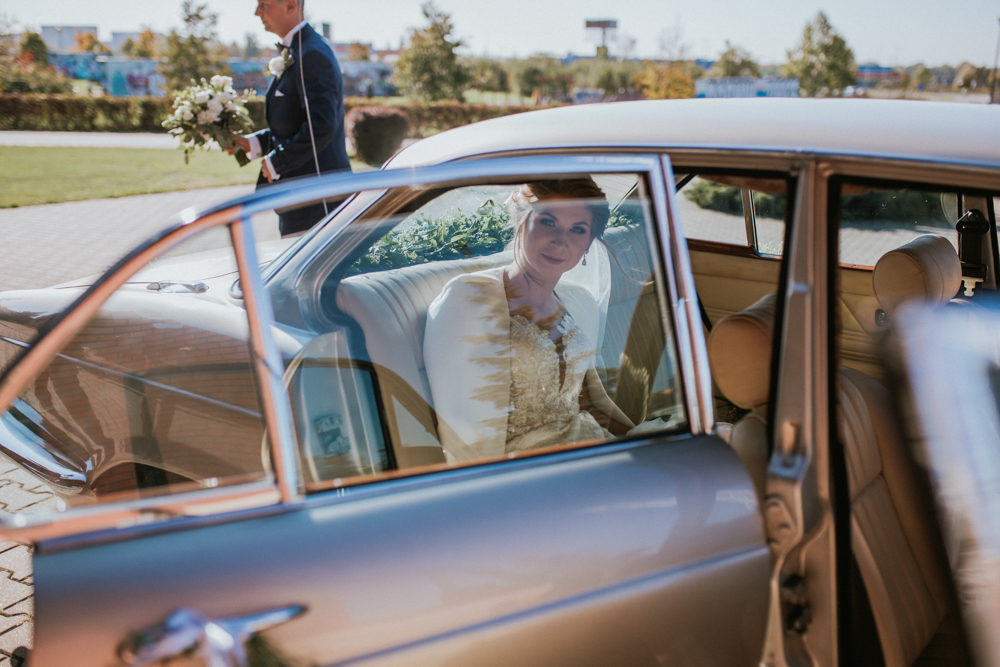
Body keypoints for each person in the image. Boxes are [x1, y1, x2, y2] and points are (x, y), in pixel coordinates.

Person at [424, 179, 636, 462]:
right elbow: (463, 433)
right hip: (523, 470)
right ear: (520, 220)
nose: (561, 241)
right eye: (548, 222)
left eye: (577, 229)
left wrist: (646, 443)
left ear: (588, 243)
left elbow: (590, 402)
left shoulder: (580, 302)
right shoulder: (468, 299)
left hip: (590, 449)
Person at [232, 0, 351, 237]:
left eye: (264, 4)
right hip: (300, 198)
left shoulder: (312, 54)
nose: (257, 12)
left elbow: (321, 126)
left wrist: (277, 162)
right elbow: (295, 123)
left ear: (289, 5)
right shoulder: (299, 50)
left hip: (317, 202)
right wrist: (253, 143)